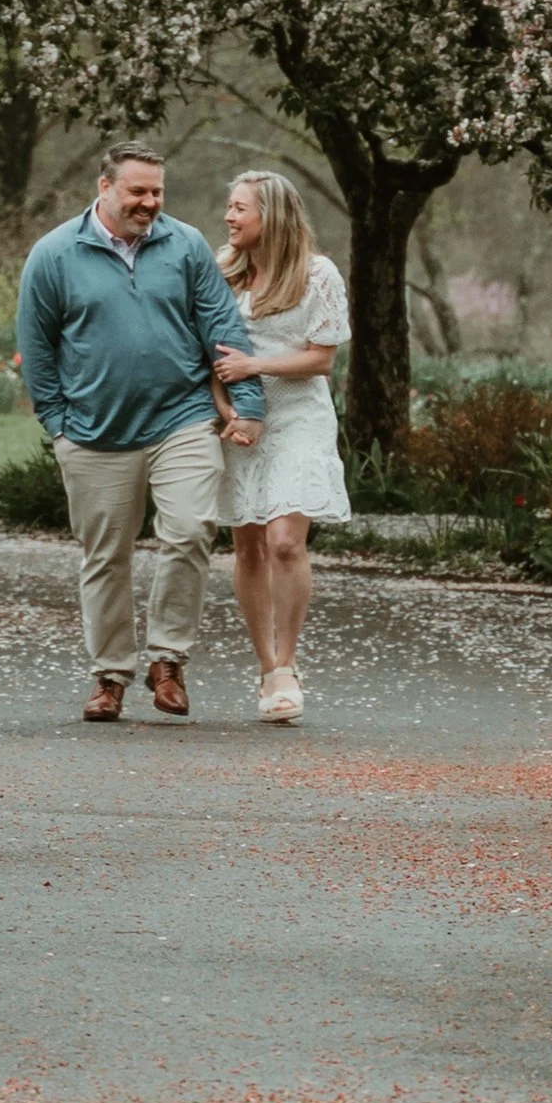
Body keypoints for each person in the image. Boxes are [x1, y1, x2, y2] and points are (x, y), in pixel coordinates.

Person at [16, 142, 266, 722]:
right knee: (106, 556)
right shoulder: (54, 255)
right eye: (138, 192)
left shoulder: (185, 245)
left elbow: (222, 327)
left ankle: (167, 660)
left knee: (191, 528)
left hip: (180, 418)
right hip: (93, 432)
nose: (149, 203)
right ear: (104, 188)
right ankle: (109, 676)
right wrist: (58, 426)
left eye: (157, 192)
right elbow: (37, 348)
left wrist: (247, 405)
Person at [211, 169, 350, 724]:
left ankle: (289, 664)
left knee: (285, 542)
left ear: (271, 216)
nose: (229, 217)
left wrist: (256, 366)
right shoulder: (222, 274)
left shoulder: (318, 275)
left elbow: (322, 359)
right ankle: (267, 667)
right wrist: (233, 413)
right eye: (230, 206)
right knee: (247, 546)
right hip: (241, 420)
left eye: (241, 208)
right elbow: (206, 357)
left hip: (297, 420)